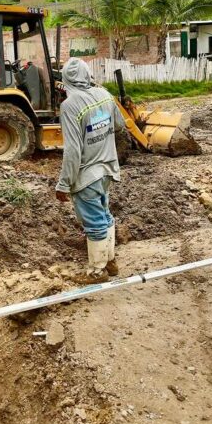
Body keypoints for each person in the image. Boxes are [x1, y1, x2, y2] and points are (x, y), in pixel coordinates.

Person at [54, 58, 124, 281]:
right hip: (107, 170)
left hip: (87, 177)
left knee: (94, 223)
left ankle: (97, 272)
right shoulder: (104, 95)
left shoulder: (70, 106)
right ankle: (110, 261)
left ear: (65, 80)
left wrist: (63, 183)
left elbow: (73, 151)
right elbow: (120, 125)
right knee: (104, 215)